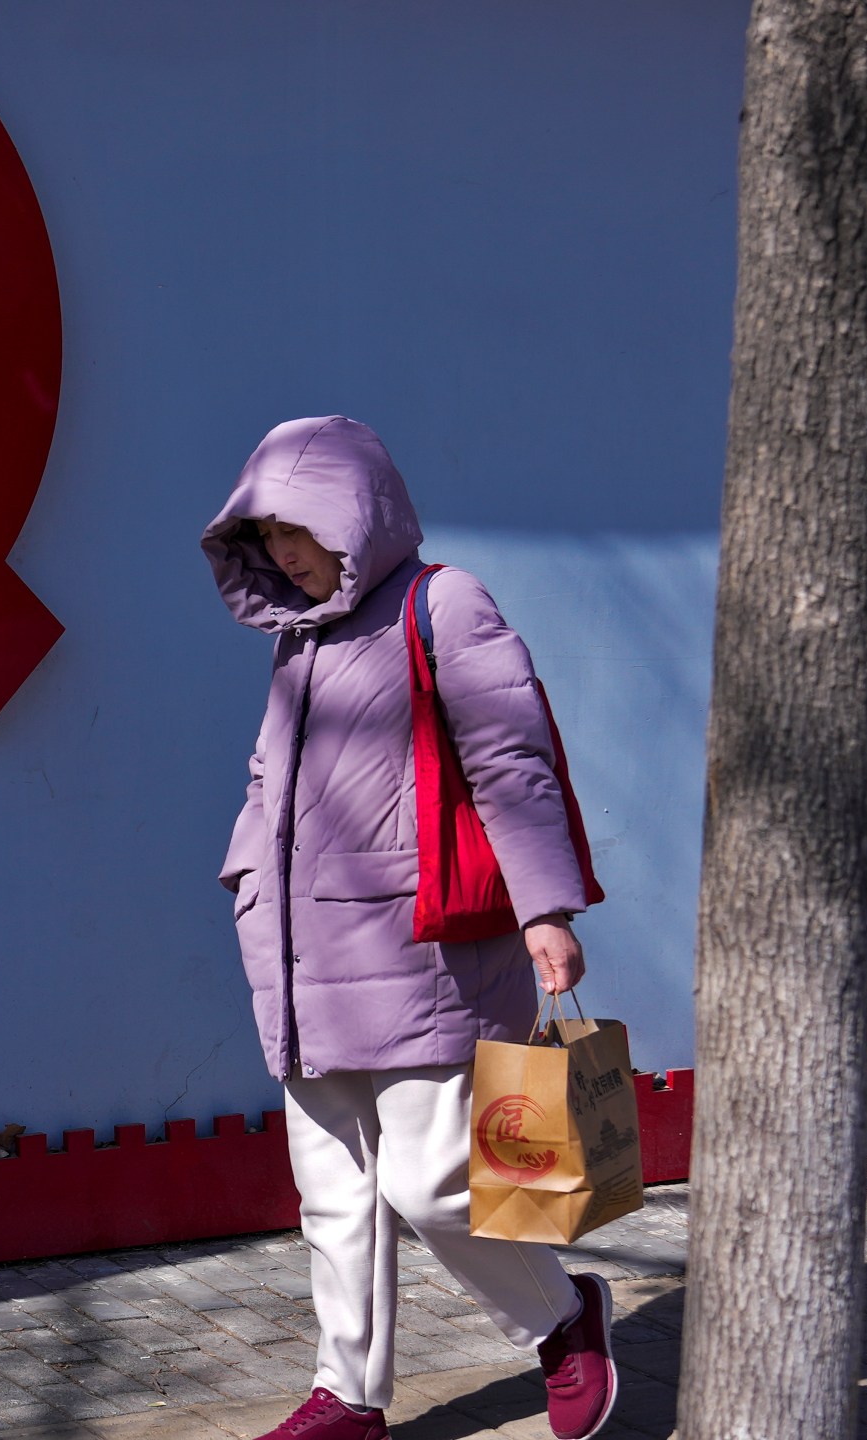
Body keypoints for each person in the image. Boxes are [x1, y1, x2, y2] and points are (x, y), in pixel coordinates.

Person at [203, 417, 617, 1440]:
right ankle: (348, 1396)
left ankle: (563, 1320)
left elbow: (509, 763)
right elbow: (274, 780)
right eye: (267, 537)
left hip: (426, 949)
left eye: (299, 529)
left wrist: (545, 907)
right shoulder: (299, 639)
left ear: (359, 512)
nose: (287, 554)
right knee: (334, 1197)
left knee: (434, 1185)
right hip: (298, 960)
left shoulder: (446, 604)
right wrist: (247, 867)